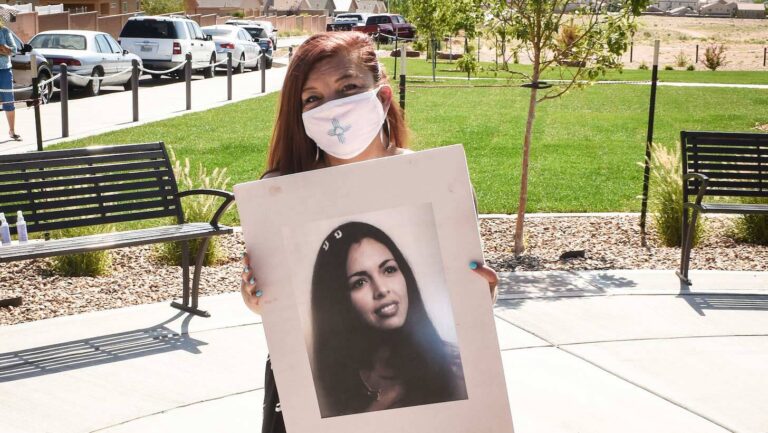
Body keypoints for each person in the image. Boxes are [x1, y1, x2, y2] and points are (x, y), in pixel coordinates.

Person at [240, 32, 498, 433]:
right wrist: (261, 301)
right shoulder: (280, 193)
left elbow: (469, 287)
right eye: (313, 99)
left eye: (348, 88)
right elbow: (275, 302)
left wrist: (477, 297)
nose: (334, 109)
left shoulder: (432, 181)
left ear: (382, 97)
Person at [310, 221, 467, 418]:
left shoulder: (457, 367)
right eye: (359, 282)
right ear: (338, 300)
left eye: (389, 270)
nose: (382, 289)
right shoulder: (333, 384)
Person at [0, 22, 19, 141]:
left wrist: (5, 49)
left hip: (5, 70)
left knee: (9, 100)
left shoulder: (5, 31)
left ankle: (12, 131)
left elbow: (15, 50)